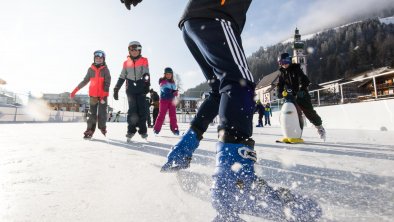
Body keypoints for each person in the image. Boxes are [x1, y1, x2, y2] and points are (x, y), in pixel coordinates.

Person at [277, 52, 326, 139]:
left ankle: (320, 128)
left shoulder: (296, 69)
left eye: (285, 62)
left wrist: (301, 89)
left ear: (289, 60)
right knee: (289, 113)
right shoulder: (282, 73)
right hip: (291, 96)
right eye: (281, 63)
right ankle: (291, 132)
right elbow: (280, 85)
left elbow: (305, 80)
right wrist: (280, 93)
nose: (283, 64)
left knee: (309, 112)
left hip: (302, 95)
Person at [113, 41, 150, 140]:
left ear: (139, 50)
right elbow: (122, 76)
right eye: (131, 49)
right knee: (132, 111)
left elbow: (146, 73)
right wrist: (116, 88)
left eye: (136, 49)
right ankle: (131, 131)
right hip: (130, 89)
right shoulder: (126, 63)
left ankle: (143, 131)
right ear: (129, 51)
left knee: (142, 110)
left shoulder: (144, 60)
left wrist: (147, 85)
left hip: (141, 87)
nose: (134, 51)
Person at [70, 50, 111, 139]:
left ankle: (102, 127)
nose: (99, 59)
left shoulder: (105, 70)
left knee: (102, 113)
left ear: (103, 59)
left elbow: (107, 83)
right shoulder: (90, 70)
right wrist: (75, 90)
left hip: (103, 96)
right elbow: (85, 81)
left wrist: (103, 94)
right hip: (93, 96)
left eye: (100, 58)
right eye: (97, 58)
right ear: (94, 59)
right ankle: (90, 130)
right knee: (91, 114)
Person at [153, 67, 179, 135]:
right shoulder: (162, 81)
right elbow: (164, 90)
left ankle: (175, 129)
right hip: (164, 100)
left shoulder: (173, 83)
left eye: (170, 74)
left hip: (172, 101)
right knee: (161, 115)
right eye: (167, 74)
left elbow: (174, 92)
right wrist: (173, 91)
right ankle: (156, 129)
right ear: (165, 74)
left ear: (172, 75)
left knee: (173, 115)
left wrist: (176, 93)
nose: (168, 75)